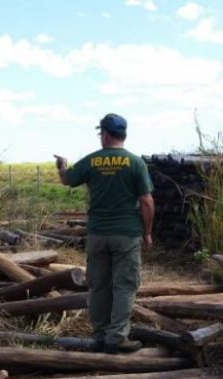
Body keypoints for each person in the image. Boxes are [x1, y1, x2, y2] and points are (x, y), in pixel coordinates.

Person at [54, 113, 155, 354]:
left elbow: (67, 179)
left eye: (101, 133)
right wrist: (147, 232)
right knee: (124, 285)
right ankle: (117, 337)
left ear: (106, 135)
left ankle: (99, 335)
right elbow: (147, 201)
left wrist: (62, 166)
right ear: (123, 135)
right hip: (126, 234)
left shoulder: (92, 161)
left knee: (98, 285)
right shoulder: (135, 163)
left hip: (98, 233)